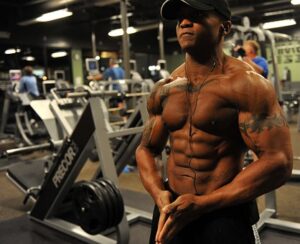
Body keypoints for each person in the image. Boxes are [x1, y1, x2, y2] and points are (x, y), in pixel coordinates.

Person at [135, 0, 293, 244]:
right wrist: (159, 193)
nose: (185, 22)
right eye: (180, 19)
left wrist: (203, 203)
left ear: (225, 26)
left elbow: (278, 161)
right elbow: (146, 149)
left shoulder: (247, 85)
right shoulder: (164, 90)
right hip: (172, 207)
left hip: (224, 210)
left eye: (196, 15)